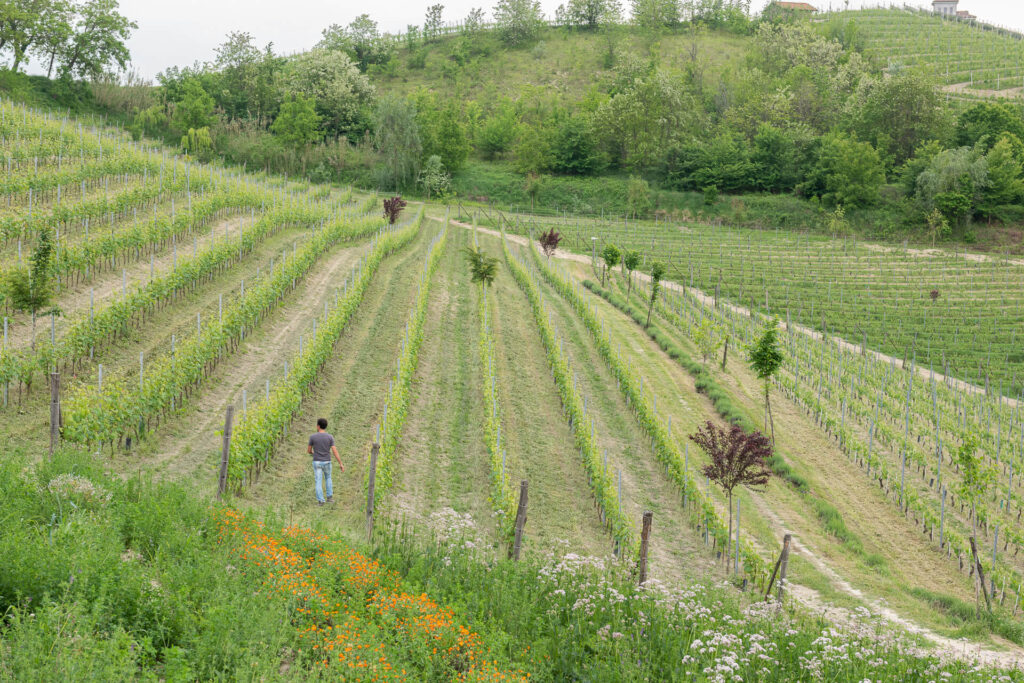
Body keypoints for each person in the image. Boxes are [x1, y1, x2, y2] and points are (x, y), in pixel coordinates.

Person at [308, 417, 343, 505]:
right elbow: (334, 451)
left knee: (318, 480)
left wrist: (313, 453)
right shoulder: (330, 437)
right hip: (327, 461)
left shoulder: (312, 437)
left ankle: (321, 501)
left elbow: (309, 450)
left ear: (318, 426)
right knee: (328, 478)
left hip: (317, 462)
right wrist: (340, 463)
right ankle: (330, 498)